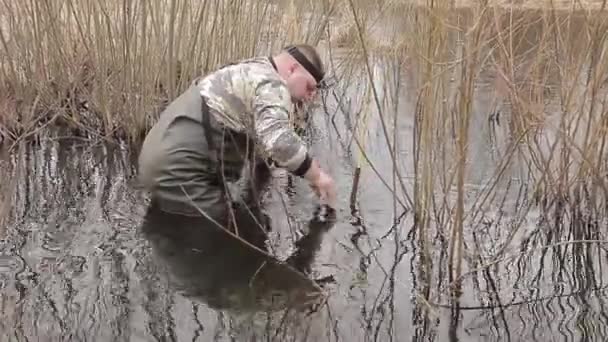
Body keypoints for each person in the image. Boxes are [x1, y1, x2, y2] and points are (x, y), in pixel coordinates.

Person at [137, 43, 337, 259]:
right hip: (178, 172)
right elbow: (280, 142)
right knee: (238, 235)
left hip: (157, 158)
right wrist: (317, 177)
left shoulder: (251, 68)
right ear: (292, 69)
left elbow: (260, 136)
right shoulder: (273, 85)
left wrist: (268, 169)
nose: (310, 96)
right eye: (309, 87)